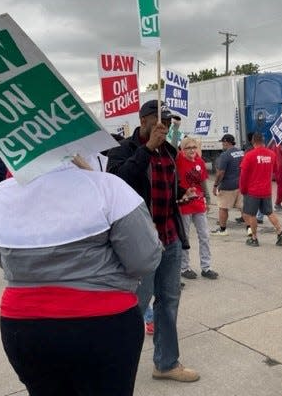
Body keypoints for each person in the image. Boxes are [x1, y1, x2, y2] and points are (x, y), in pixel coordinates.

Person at [0, 160, 162, 395]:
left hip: (23, 326)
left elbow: (2, 259)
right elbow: (143, 260)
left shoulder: (1, 194)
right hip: (103, 324)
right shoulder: (109, 188)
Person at [106, 99, 200, 382]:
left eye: (169, 123)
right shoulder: (123, 150)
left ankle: (166, 363)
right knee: (134, 306)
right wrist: (146, 150)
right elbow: (116, 182)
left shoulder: (170, 152)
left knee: (169, 302)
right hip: (139, 243)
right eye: (159, 121)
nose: (165, 126)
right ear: (143, 119)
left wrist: (183, 192)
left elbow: (169, 186)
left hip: (169, 237)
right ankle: (117, 367)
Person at [176, 136, 218, 280]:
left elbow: (203, 181)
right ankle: (184, 267)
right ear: (182, 149)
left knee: (204, 236)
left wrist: (208, 198)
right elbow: (172, 143)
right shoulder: (179, 159)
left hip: (199, 203)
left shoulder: (200, 161)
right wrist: (175, 128)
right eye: (188, 148)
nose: (192, 150)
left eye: (194, 147)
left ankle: (206, 267)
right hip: (185, 203)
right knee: (185, 237)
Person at [239, 132, 282, 247]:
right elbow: (275, 169)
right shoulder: (271, 154)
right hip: (266, 190)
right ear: (263, 141)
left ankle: (254, 238)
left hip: (252, 191)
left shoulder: (249, 155)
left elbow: (243, 175)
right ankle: (280, 232)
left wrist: (243, 189)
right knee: (269, 212)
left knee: (251, 215)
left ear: (253, 141)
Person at [212, 134, 244, 236]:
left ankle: (222, 230)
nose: (222, 144)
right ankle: (250, 229)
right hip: (240, 184)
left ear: (227, 142)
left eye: (223, 142)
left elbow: (220, 172)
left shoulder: (225, 155)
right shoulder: (240, 152)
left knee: (223, 207)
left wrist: (215, 185)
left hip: (227, 186)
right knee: (243, 207)